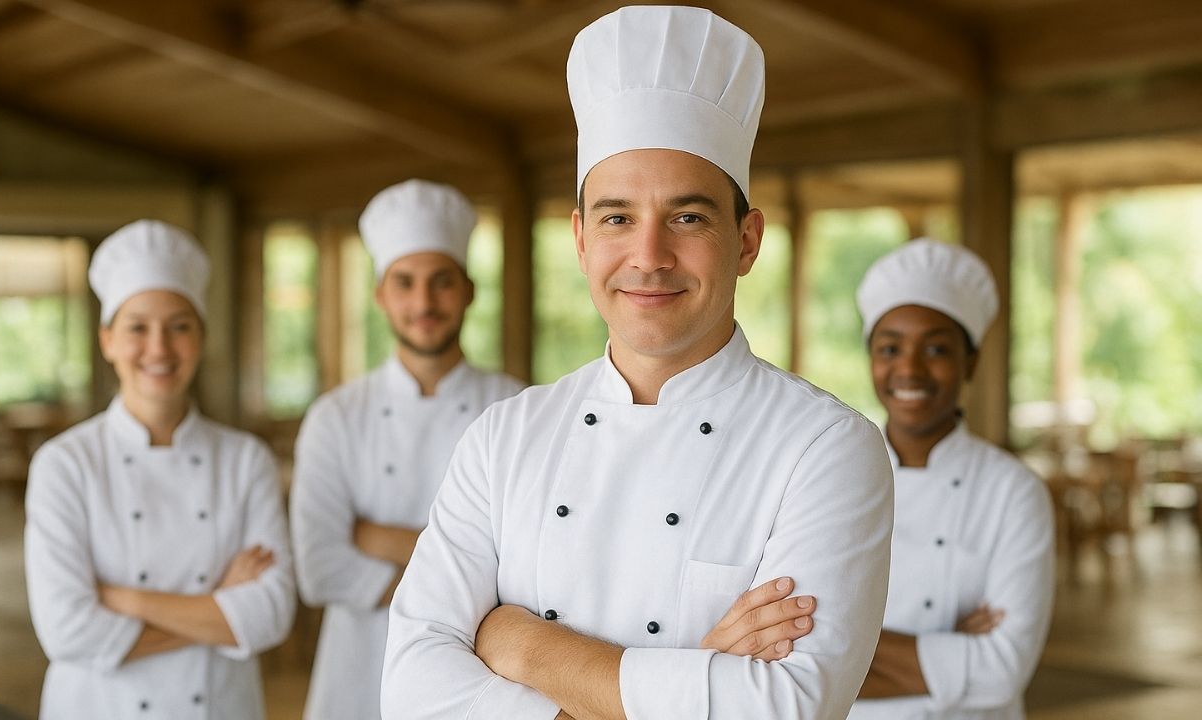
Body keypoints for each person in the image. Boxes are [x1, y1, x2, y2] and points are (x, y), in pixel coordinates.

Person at [381, 7, 894, 719]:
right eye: (618, 217)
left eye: (687, 217)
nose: (648, 257)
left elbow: (787, 708)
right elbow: (410, 691)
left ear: (746, 241)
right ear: (582, 239)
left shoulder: (826, 448)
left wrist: (523, 646)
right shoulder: (504, 438)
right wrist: (693, 676)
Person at [25, 219, 296, 719]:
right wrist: (218, 607)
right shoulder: (65, 464)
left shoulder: (245, 460)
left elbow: (271, 616)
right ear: (107, 340)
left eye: (179, 326)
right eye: (137, 327)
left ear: (201, 337)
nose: (159, 348)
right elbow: (66, 631)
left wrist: (120, 598)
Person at [290, 179, 526, 718]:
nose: (423, 301)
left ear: (468, 290)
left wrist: (371, 536)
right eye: (405, 283)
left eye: (441, 282)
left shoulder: (516, 406)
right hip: (358, 671)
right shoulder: (336, 415)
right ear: (381, 296)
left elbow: (528, 561)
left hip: (479, 678)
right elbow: (320, 567)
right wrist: (471, 573)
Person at [849, 238, 1055, 719]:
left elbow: (1002, 670)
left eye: (937, 348)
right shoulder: (832, 471)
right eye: (890, 347)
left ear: (972, 362)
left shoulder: (1014, 492)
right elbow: (779, 652)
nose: (910, 368)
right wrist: (949, 652)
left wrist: (840, 649)